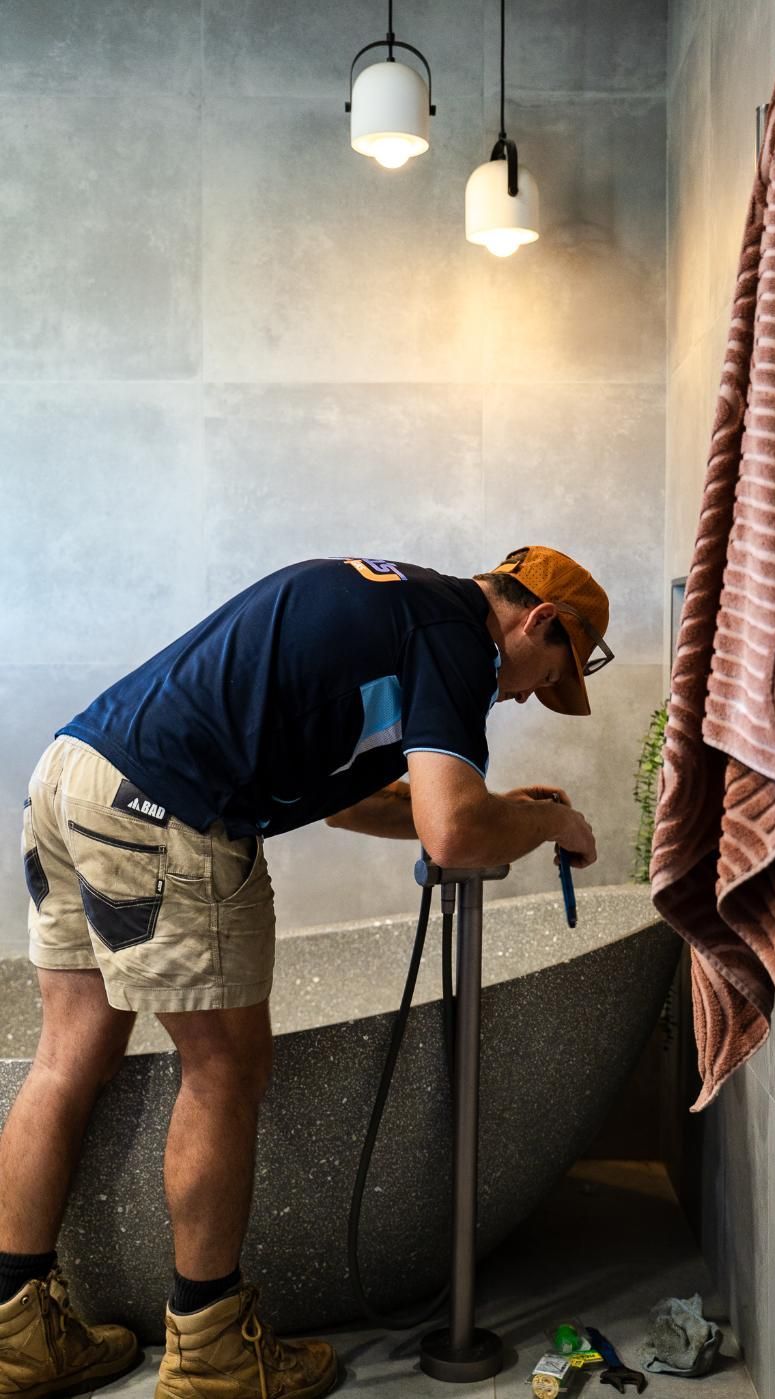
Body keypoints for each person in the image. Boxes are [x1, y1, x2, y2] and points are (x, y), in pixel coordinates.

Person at [0, 544, 611, 1399]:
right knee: (223, 1069)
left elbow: (359, 802)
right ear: (537, 620)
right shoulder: (457, 641)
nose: (521, 697)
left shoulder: (398, 605)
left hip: (75, 772)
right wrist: (553, 826)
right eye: (544, 675)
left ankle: (17, 1332)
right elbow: (454, 833)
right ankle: (210, 1344)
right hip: (169, 806)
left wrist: (506, 810)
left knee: (67, 1057)